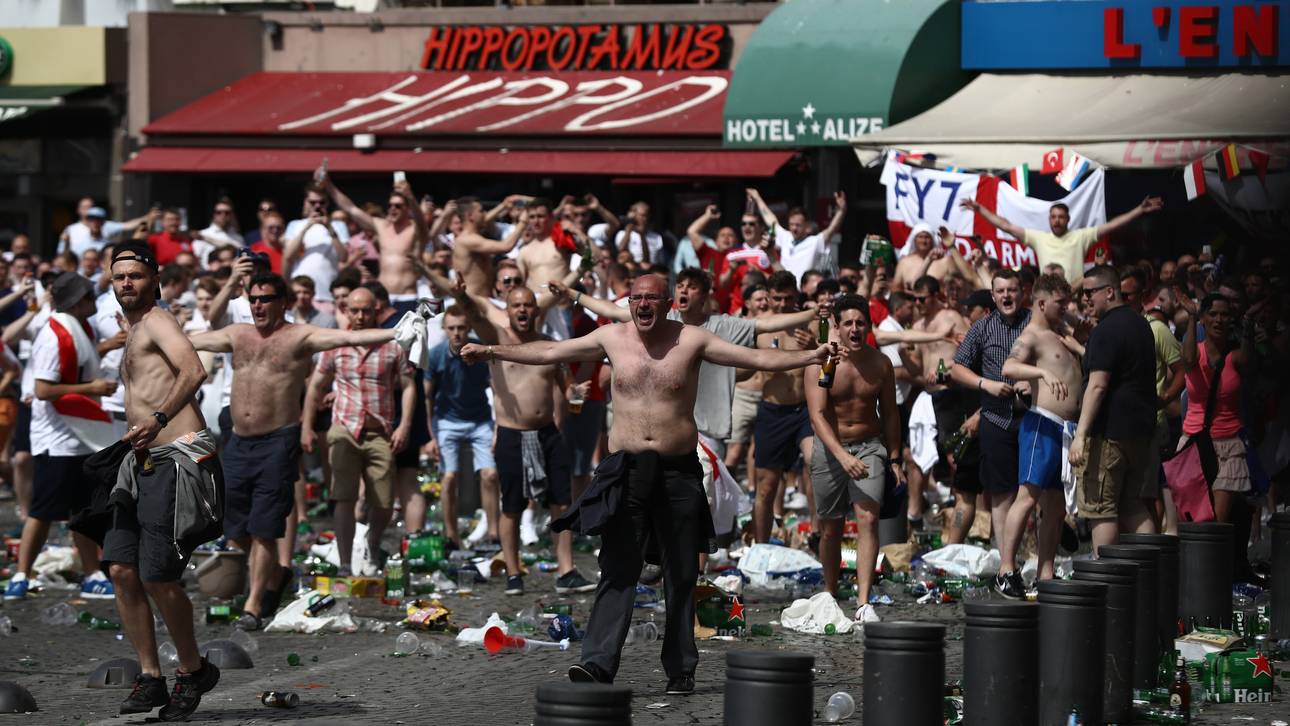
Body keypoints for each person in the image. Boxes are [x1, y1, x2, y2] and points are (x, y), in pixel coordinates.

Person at [458, 273, 835, 694]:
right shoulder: (612, 338)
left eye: (651, 299)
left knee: (680, 571)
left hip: (676, 469)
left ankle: (680, 668)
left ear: (667, 302)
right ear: (629, 301)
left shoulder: (691, 339)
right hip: (626, 469)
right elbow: (549, 350)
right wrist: (490, 349)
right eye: (636, 298)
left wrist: (810, 357)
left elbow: (755, 360)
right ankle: (597, 664)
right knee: (618, 567)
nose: (643, 306)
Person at [191, 274, 399, 629]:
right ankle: (275, 576)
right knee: (231, 525)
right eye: (254, 299)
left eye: (266, 299)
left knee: (265, 529)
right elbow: (191, 339)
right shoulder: (237, 334)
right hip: (238, 441)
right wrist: (140, 330)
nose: (258, 305)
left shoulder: (298, 336)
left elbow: (349, 336)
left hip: (277, 441)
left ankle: (254, 606)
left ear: (283, 302)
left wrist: (398, 331)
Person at [99, 243, 222, 720]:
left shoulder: (158, 321)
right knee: (121, 569)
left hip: (177, 456)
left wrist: (157, 417)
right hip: (141, 459)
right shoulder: (134, 329)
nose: (126, 283)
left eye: (134, 275)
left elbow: (195, 368)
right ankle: (150, 677)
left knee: (156, 573)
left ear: (155, 278)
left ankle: (192, 671)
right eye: (118, 277)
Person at [452, 281, 594, 597]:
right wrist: (461, 295)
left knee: (562, 502)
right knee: (512, 505)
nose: (522, 310)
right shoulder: (496, 341)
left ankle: (566, 570)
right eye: (516, 305)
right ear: (508, 309)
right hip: (512, 434)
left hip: (548, 433)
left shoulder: (550, 345)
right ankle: (514, 573)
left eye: (528, 305)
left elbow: (568, 391)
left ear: (536, 310)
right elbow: (475, 315)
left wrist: (576, 394)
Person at [4, 273, 116, 602]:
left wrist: (107, 347)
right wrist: (92, 389)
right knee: (42, 511)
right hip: (57, 438)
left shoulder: (76, 327)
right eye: (89, 297)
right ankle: (21, 574)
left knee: (82, 511)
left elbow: (79, 364)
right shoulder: (55, 334)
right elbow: (43, 389)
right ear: (77, 302)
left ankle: (92, 573)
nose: (95, 302)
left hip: (79, 434)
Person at [302, 287, 415, 577]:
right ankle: (344, 564)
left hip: (379, 431)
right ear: (347, 312)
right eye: (355, 310)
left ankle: (373, 541)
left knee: (384, 501)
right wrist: (307, 425)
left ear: (376, 311)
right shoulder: (336, 344)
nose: (361, 316)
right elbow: (316, 385)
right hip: (344, 428)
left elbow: (409, 385)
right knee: (343, 497)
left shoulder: (393, 344)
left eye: (366, 310)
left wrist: (405, 425)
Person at [805, 295, 903, 622]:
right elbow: (817, 415)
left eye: (861, 322)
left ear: (869, 326)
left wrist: (895, 458)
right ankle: (831, 594)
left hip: (869, 446)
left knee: (868, 520)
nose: (855, 328)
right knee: (831, 528)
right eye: (848, 323)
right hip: (831, 448)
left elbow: (890, 414)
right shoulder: (824, 362)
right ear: (836, 326)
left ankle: (863, 602)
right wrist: (841, 457)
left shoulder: (880, 364)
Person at [997, 274, 1083, 596]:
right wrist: (1042, 372)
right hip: (1041, 425)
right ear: (1043, 302)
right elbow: (1009, 368)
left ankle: (1046, 571)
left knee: (1056, 506)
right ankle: (1007, 569)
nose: (1067, 308)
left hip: (1066, 430)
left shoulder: (1062, 333)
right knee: (1027, 498)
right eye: (1061, 303)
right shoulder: (1032, 335)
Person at [1068, 265, 1159, 552]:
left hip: (1110, 434)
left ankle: (1106, 584)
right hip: (1140, 433)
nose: (1085, 299)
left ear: (1109, 291)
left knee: (1101, 509)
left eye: (1089, 292)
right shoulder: (1140, 324)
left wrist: (1080, 436)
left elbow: (1098, 385)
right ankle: (1150, 574)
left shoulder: (1107, 329)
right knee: (1132, 506)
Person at [950, 269, 1032, 546]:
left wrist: (1034, 382)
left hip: (1034, 418)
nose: (1007, 296)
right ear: (993, 295)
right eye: (1001, 291)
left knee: (1035, 491)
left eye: (1012, 290)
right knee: (1001, 493)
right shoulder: (982, 327)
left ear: (1022, 293)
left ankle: (1033, 555)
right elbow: (957, 367)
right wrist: (986, 384)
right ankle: (1005, 559)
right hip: (996, 419)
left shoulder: (1035, 323)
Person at [425, 306, 500, 548]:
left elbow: (497, 388)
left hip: (479, 418)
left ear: (468, 328)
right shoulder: (436, 355)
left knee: (490, 474)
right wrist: (431, 435)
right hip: (447, 420)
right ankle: (451, 535)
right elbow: (427, 396)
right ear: (445, 330)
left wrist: (498, 425)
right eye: (452, 328)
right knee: (449, 477)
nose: (457, 333)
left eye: (461, 328)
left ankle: (494, 534)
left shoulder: (481, 351)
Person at [960, 196, 1163, 285]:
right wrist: (979, 209)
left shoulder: (1080, 236)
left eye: (1061, 217)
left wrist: (1139, 210)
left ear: (1068, 219)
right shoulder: (1039, 238)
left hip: (1075, 298)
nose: (1057, 220)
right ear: (1049, 219)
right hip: (1047, 299)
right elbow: (1005, 225)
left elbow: (1112, 225)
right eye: (1053, 217)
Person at [320, 171, 427, 314]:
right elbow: (351, 209)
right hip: (382, 297)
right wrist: (328, 185)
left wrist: (410, 197)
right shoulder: (381, 226)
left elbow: (422, 222)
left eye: (398, 206)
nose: (392, 209)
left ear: (407, 209)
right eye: (390, 205)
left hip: (406, 296)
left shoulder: (414, 229)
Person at [748, 188, 847, 282]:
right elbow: (771, 220)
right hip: (785, 288)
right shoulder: (786, 238)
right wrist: (757, 197)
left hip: (804, 293)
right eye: (791, 224)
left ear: (807, 226)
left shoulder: (815, 242)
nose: (794, 228)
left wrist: (841, 211)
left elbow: (832, 229)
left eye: (798, 225)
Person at [284, 183, 349, 313]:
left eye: (321, 202)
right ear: (305, 203)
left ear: (327, 203)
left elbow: (343, 257)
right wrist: (307, 226)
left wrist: (329, 227)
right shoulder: (295, 225)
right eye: (313, 202)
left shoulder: (338, 225)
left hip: (328, 295)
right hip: (300, 294)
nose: (317, 206)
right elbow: (288, 256)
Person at [450, 197, 523, 299]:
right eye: (481, 211)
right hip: (473, 303)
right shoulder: (467, 240)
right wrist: (524, 221)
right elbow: (506, 246)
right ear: (470, 216)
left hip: (485, 301)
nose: (484, 214)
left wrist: (503, 206)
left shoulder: (474, 236)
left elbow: (484, 220)